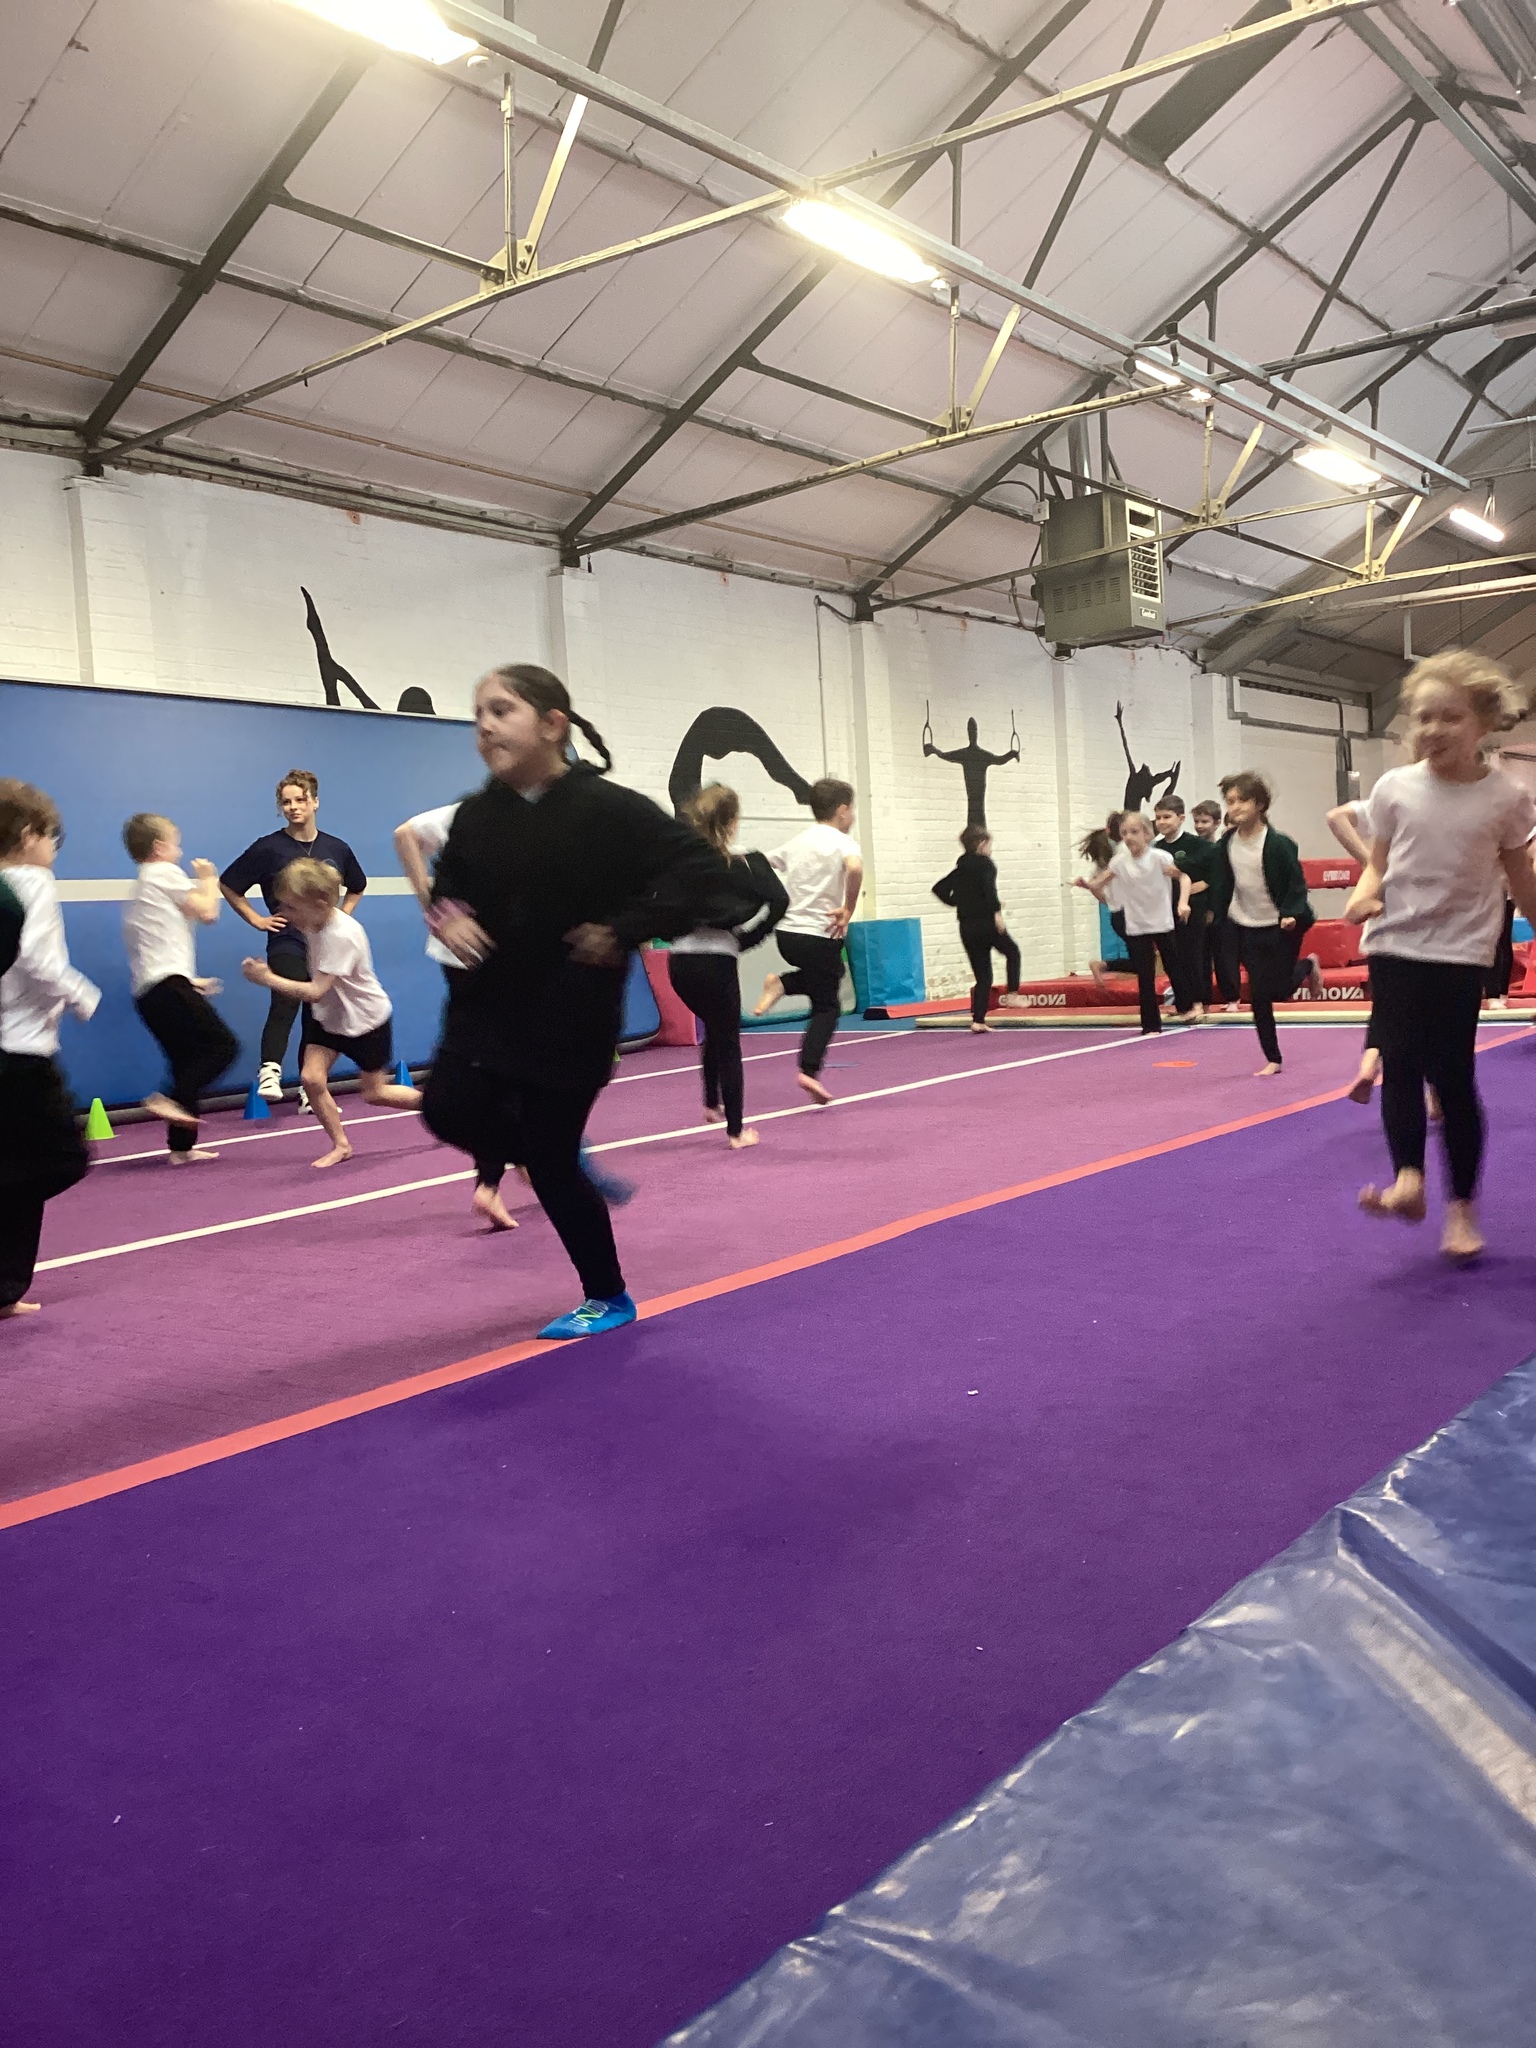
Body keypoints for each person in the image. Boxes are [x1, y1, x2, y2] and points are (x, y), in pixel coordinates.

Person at [422, 664, 728, 1341]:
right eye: (478, 715)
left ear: (552, 724)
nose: (484, 726)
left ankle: (607, 1296)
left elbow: (702, 872)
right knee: (445, 1109)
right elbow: (446, 885)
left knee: (552, 1161)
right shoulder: (477, 816)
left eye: (501, 710)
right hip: (485, 1004)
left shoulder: (611, 810)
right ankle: (552, 1153)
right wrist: (449, 914)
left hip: (572, 1012)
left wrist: (623, 928)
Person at [1344, 651, 1536, 1262]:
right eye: (1423, 717)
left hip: (1460, 950)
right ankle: (1409, 1180)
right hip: (1394, 941)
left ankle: (1462, 1209)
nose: (1433, 729)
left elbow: (1520, 876)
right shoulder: (1395, 787)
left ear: (1484, 722)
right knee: (1399, 1063)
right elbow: (1378, 860)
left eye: (1450, 717)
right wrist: (1364, 893)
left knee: (1451, 1074)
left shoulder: (1506, 797)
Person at [241, 860, 420, 1168]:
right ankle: (341, 1145)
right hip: (328, 1017)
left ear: (320, 904)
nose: (284, 913)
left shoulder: (341, 935)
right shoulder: (312, 922)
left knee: (374, 1093)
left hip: (365, 1020)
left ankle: (440, 1108)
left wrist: (267, 978)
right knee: (311, 1078)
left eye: (291, 907)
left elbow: (315, 991)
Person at [0, 780, 98, 1318]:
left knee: (23, 1172)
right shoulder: (32, 882)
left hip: (18, 1045)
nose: (54, 849)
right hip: (21, 1052)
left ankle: (6, 1289)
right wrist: (82, 994)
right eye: (50, 837)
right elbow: (37, 957)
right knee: (59, 1159)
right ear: (27, 835)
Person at [395, 797, 517, 1230]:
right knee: (507, 1070)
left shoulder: (468, 812)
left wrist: (430, 905)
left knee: (490, 1062)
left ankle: (511, 1161)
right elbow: (405, 835)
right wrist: (430, 902)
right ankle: (494, 1177)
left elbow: (405, 834)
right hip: (489, 954)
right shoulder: (484, 813)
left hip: (460, 953)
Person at [220, 770, 366, 1102]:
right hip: (287, 938)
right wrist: (255, 918)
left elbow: (357, 885)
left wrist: (343, 915)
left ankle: (308, 1087)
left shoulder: (336, 848)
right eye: (286, 802)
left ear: (315, 802)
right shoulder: (268, 848)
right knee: (286, 994)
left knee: (316, 1009)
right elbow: (229, 884)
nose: (293, 807)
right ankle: (270, 1070)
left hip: (324, 944)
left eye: (300, 800)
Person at [670, 783, 788, 1143]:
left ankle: (711, 1103)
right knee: (728, 1041)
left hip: (679, 964)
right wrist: (752, 936)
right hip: (717, 961)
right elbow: (779, 900)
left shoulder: (684, 863)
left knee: (713, 1027)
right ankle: (736, 1131)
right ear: (733, 823)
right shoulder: (744, 865)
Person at [121, 812, 239, 1163]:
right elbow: (208, 912)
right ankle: (168, 1098)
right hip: (165, 984)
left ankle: (181, 1148)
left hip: (151, 990)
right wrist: (209, 879)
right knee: (222, 1046)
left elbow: (152, 941)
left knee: (185, 1061)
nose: (180, 851)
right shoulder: (163, 872)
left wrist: (187, 981)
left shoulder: (143, 886)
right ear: (160, 847)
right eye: (176, 844)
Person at [753, 778, 862, 1105]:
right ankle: (809, 1071)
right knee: (828, 1005)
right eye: (852, 809)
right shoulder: (843, 842)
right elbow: (855, 869)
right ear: (842, 810)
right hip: (819, 934)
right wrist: (848, 909)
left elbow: (761, 862)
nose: (852, 815)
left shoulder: (798, 841)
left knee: (827, 979)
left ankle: (783, 984)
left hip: (787, 936)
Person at [1206, 772, 1323, 1075]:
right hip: (1245, 923)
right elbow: (1218, 879)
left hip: (1281, 924)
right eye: (1230, 801)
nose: (1235, 807)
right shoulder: (1226, 844)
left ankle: (1307, 965)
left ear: (1259, 804)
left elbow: (1296, 885)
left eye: (1242, 801)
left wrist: (1290, 912)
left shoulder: (1279, 844)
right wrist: (1213, 911)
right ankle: (1273, 1058)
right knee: (1258, 994)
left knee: (1280, 989)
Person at [1077, 811, 1190, 1034]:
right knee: (1145, 976)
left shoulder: (1159, 858)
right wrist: (1087, 885)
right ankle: (1150, 1024)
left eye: (1134, 832)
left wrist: (1183, 903)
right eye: (1124, 833)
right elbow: (1099, 883)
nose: (1129, 837)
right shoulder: (1119, 862)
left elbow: (1183, 877)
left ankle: (1185, 1007)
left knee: (1173, 965)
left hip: (1161, 920)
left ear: (1147, 835)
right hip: (1136, 923)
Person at [932, 825, 1022, 1031]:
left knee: (983, 976)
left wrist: (958, 902)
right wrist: (997, 914)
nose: (991, 849)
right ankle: (1012, 995)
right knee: (1012, 952)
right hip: (986, 923)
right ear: (982, 844)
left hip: (967, 926)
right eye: (989, 844)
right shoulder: (985, 864)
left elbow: (939, 888)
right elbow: (990, 890)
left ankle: (978, 1020)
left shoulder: (961, 867)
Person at [1152, 793, 1215, 1021]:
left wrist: (1207, 896)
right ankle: (1183, 1003)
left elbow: (1215, 874)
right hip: (1167, 908)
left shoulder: (1198, 845)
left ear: (1181, 818)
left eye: (1167, 817)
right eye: (1158, 817)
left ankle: (1200, 1002)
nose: (1161, 822)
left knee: (1194, 955)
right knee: (1173, 957)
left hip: (1194, 907)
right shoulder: (1157, 848)